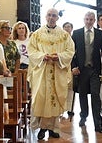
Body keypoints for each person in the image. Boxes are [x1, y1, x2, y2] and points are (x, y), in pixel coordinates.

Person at [27, 8, 74, 140]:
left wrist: (58, 57)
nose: (51, 17)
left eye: (54, 15)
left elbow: (70, 51)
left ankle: (54, 128)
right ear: (45, 16)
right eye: (49, 15)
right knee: (42, 98)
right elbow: (31, 51)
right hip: (42, 72)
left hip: (58, 71)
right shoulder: (36, 34)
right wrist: (43, 56)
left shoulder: (64, 35)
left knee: (55, 99)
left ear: (58, 18)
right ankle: (42, 128)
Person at [71, 11, 102, 134]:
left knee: (95, 95)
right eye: (87, 19)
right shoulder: (76, 33)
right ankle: (83, 116)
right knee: (82, 94)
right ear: (84, 19)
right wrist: (73, 67)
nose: (88, 21)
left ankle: (98, 123)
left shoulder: (99, 34)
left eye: (91, 19)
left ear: (94, 21)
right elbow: (72, 52)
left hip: (95, 69)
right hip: (81, 70)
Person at [62, 22, 75, 117]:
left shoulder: (74, 39)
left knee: (71, 89)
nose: (67, 28)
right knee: (62, 88)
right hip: (62, 67)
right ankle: (62, 108)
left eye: (69, 27)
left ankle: (70, 108)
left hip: (72, 66)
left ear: (71, 28)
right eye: (65, 27)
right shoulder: (60, 40)